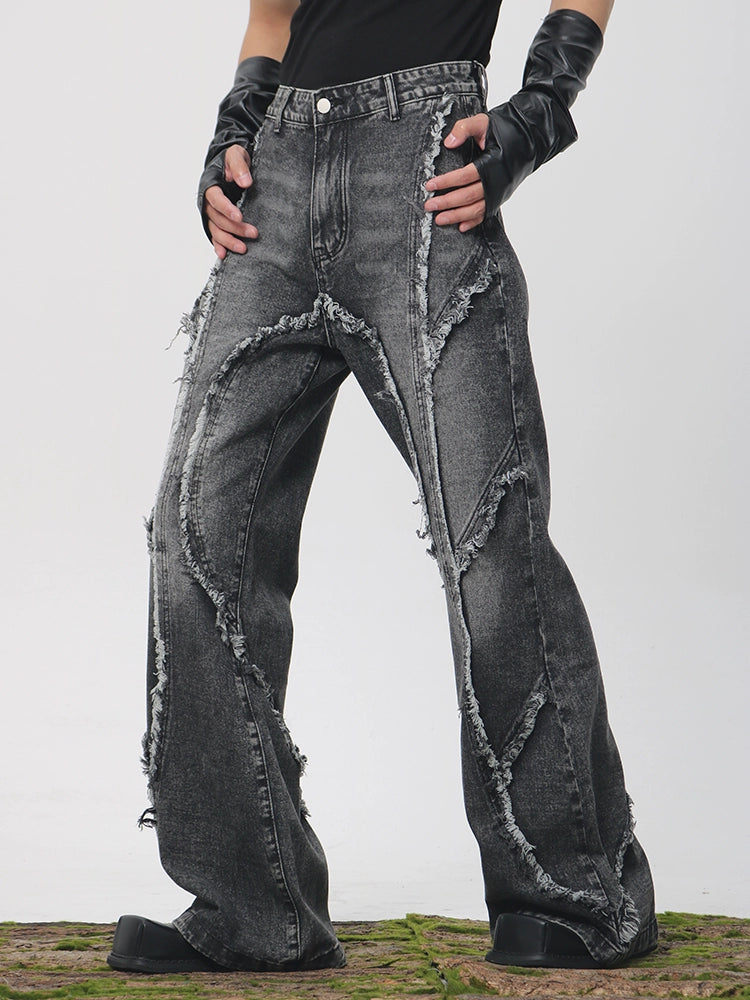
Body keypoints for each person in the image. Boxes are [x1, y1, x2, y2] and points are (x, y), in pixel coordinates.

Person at [107, 0, 658, 975]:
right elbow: (273, 15)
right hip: (276, 179)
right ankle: (252, 910)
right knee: (195, 537)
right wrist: (235, 128)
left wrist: (541, 106)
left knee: (489, 540)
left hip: (426, 170)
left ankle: (578, 892)